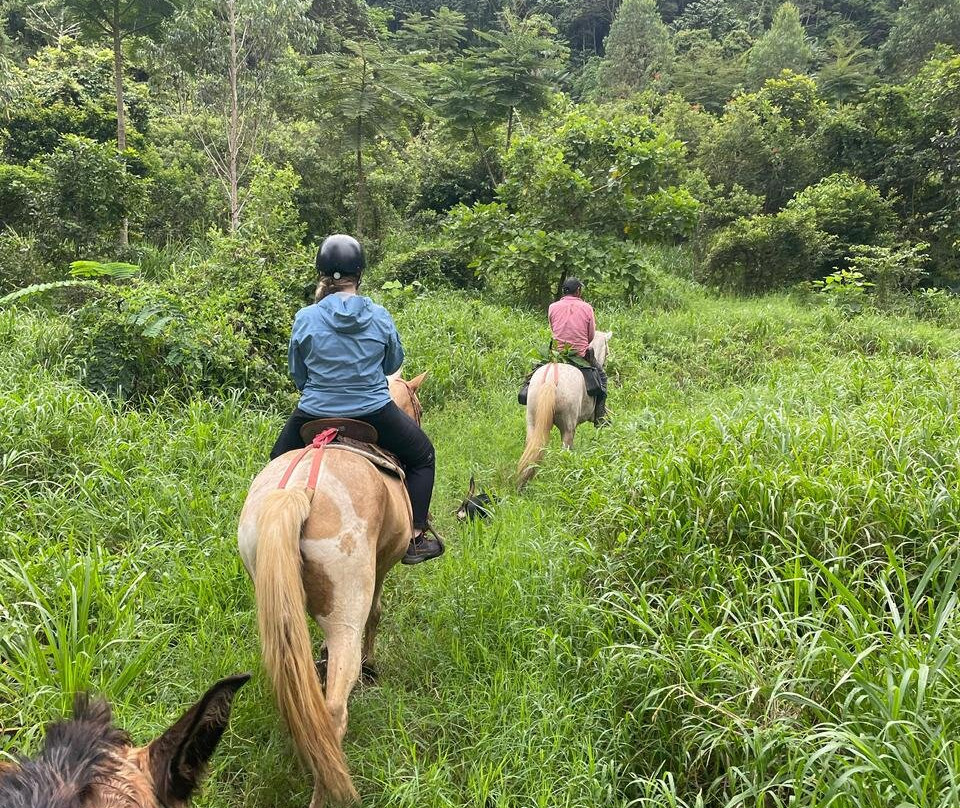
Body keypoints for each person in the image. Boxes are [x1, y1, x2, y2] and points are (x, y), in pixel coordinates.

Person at [270, 234, 444, 565]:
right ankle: (416, 538)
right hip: (373, 412)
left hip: (312, 413)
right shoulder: (378, 315)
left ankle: (268, 534)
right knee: (423, 456)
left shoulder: (306, 317)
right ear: (359, 274)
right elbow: (393, 365)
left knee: (276, 465)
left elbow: (299, 375)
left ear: (321, 272)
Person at [547, 277, 608, 425]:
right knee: (602, 378)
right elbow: (591, 335)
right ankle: (599, 417)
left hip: (557, 354)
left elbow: (552, 329)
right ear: (578, 291)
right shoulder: (587, 308)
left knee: (533, 375)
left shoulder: (552, 307)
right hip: (580, 356)